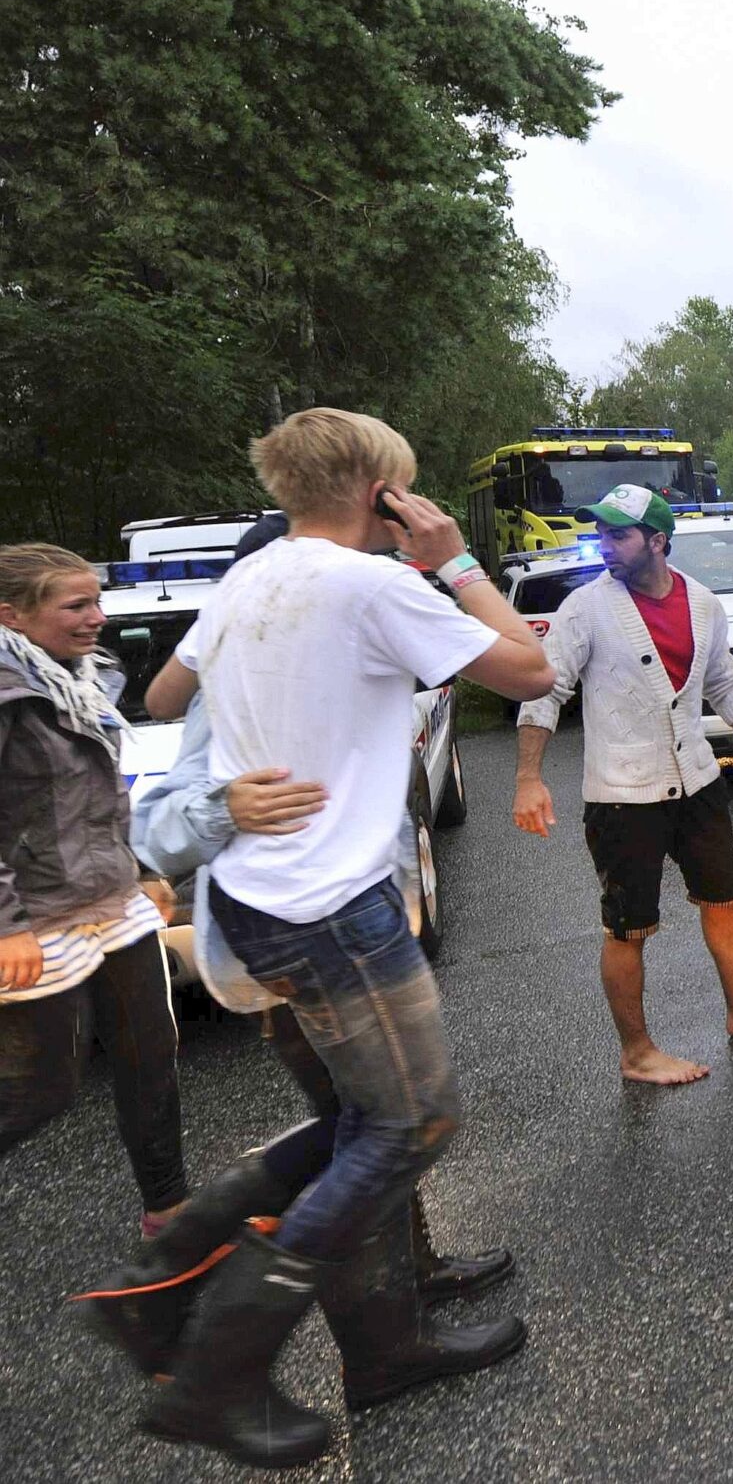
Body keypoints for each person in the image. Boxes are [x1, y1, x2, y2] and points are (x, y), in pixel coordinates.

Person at [138, 407, 554, 1468]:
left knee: (355, 1124)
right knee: (410, 1123)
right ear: (380, 488)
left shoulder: (250, 578)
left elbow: (166, 690)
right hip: (332, 901)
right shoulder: (374, 583)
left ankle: (343, 1334)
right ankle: (215, 1360)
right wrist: (453, 559)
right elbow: (529, 673)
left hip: (254, 897)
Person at [96, 691, 524, 1414]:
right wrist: (226, 807)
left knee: (373, 1124)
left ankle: (405, 1279)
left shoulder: (345, 663)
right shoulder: (244, 683)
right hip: (306, 953)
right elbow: (161, 824)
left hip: (360, 939)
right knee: (378, 1129)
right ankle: (370, 1347)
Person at [513, 482, 733, 1086]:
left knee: (725, 897)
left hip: (697, 779)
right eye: (601, 533)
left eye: (617, 534)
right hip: (622, 793)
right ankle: (637, 1052)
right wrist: (527, 777)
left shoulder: (702, 603)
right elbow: (547, 689)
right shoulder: (585, 608)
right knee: (628, 924)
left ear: (657, 540)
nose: (604, 545)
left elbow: (723, 685)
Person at [0, 546, 189, 1237]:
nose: (97, 619)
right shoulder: (9, 688)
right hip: (36, 915)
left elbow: (92, 800)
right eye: (76, 605)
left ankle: (169, 1212)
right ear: (10, 616)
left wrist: (138, 869)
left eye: (97, 601)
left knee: (150, 1056)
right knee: (40, 1087)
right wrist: (6, 926)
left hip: (110, 901)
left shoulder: (79, 680)